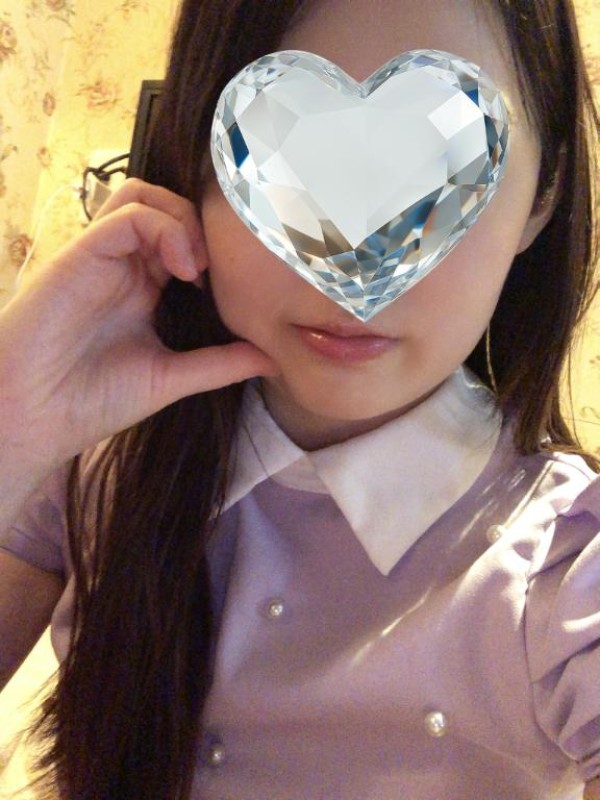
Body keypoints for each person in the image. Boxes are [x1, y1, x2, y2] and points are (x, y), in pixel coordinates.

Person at [0, 0, 599, 797]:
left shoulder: (566, 567)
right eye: (289, 165)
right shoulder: (93, 462)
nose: (353, 256)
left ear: (541, 196)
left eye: (433, 174)